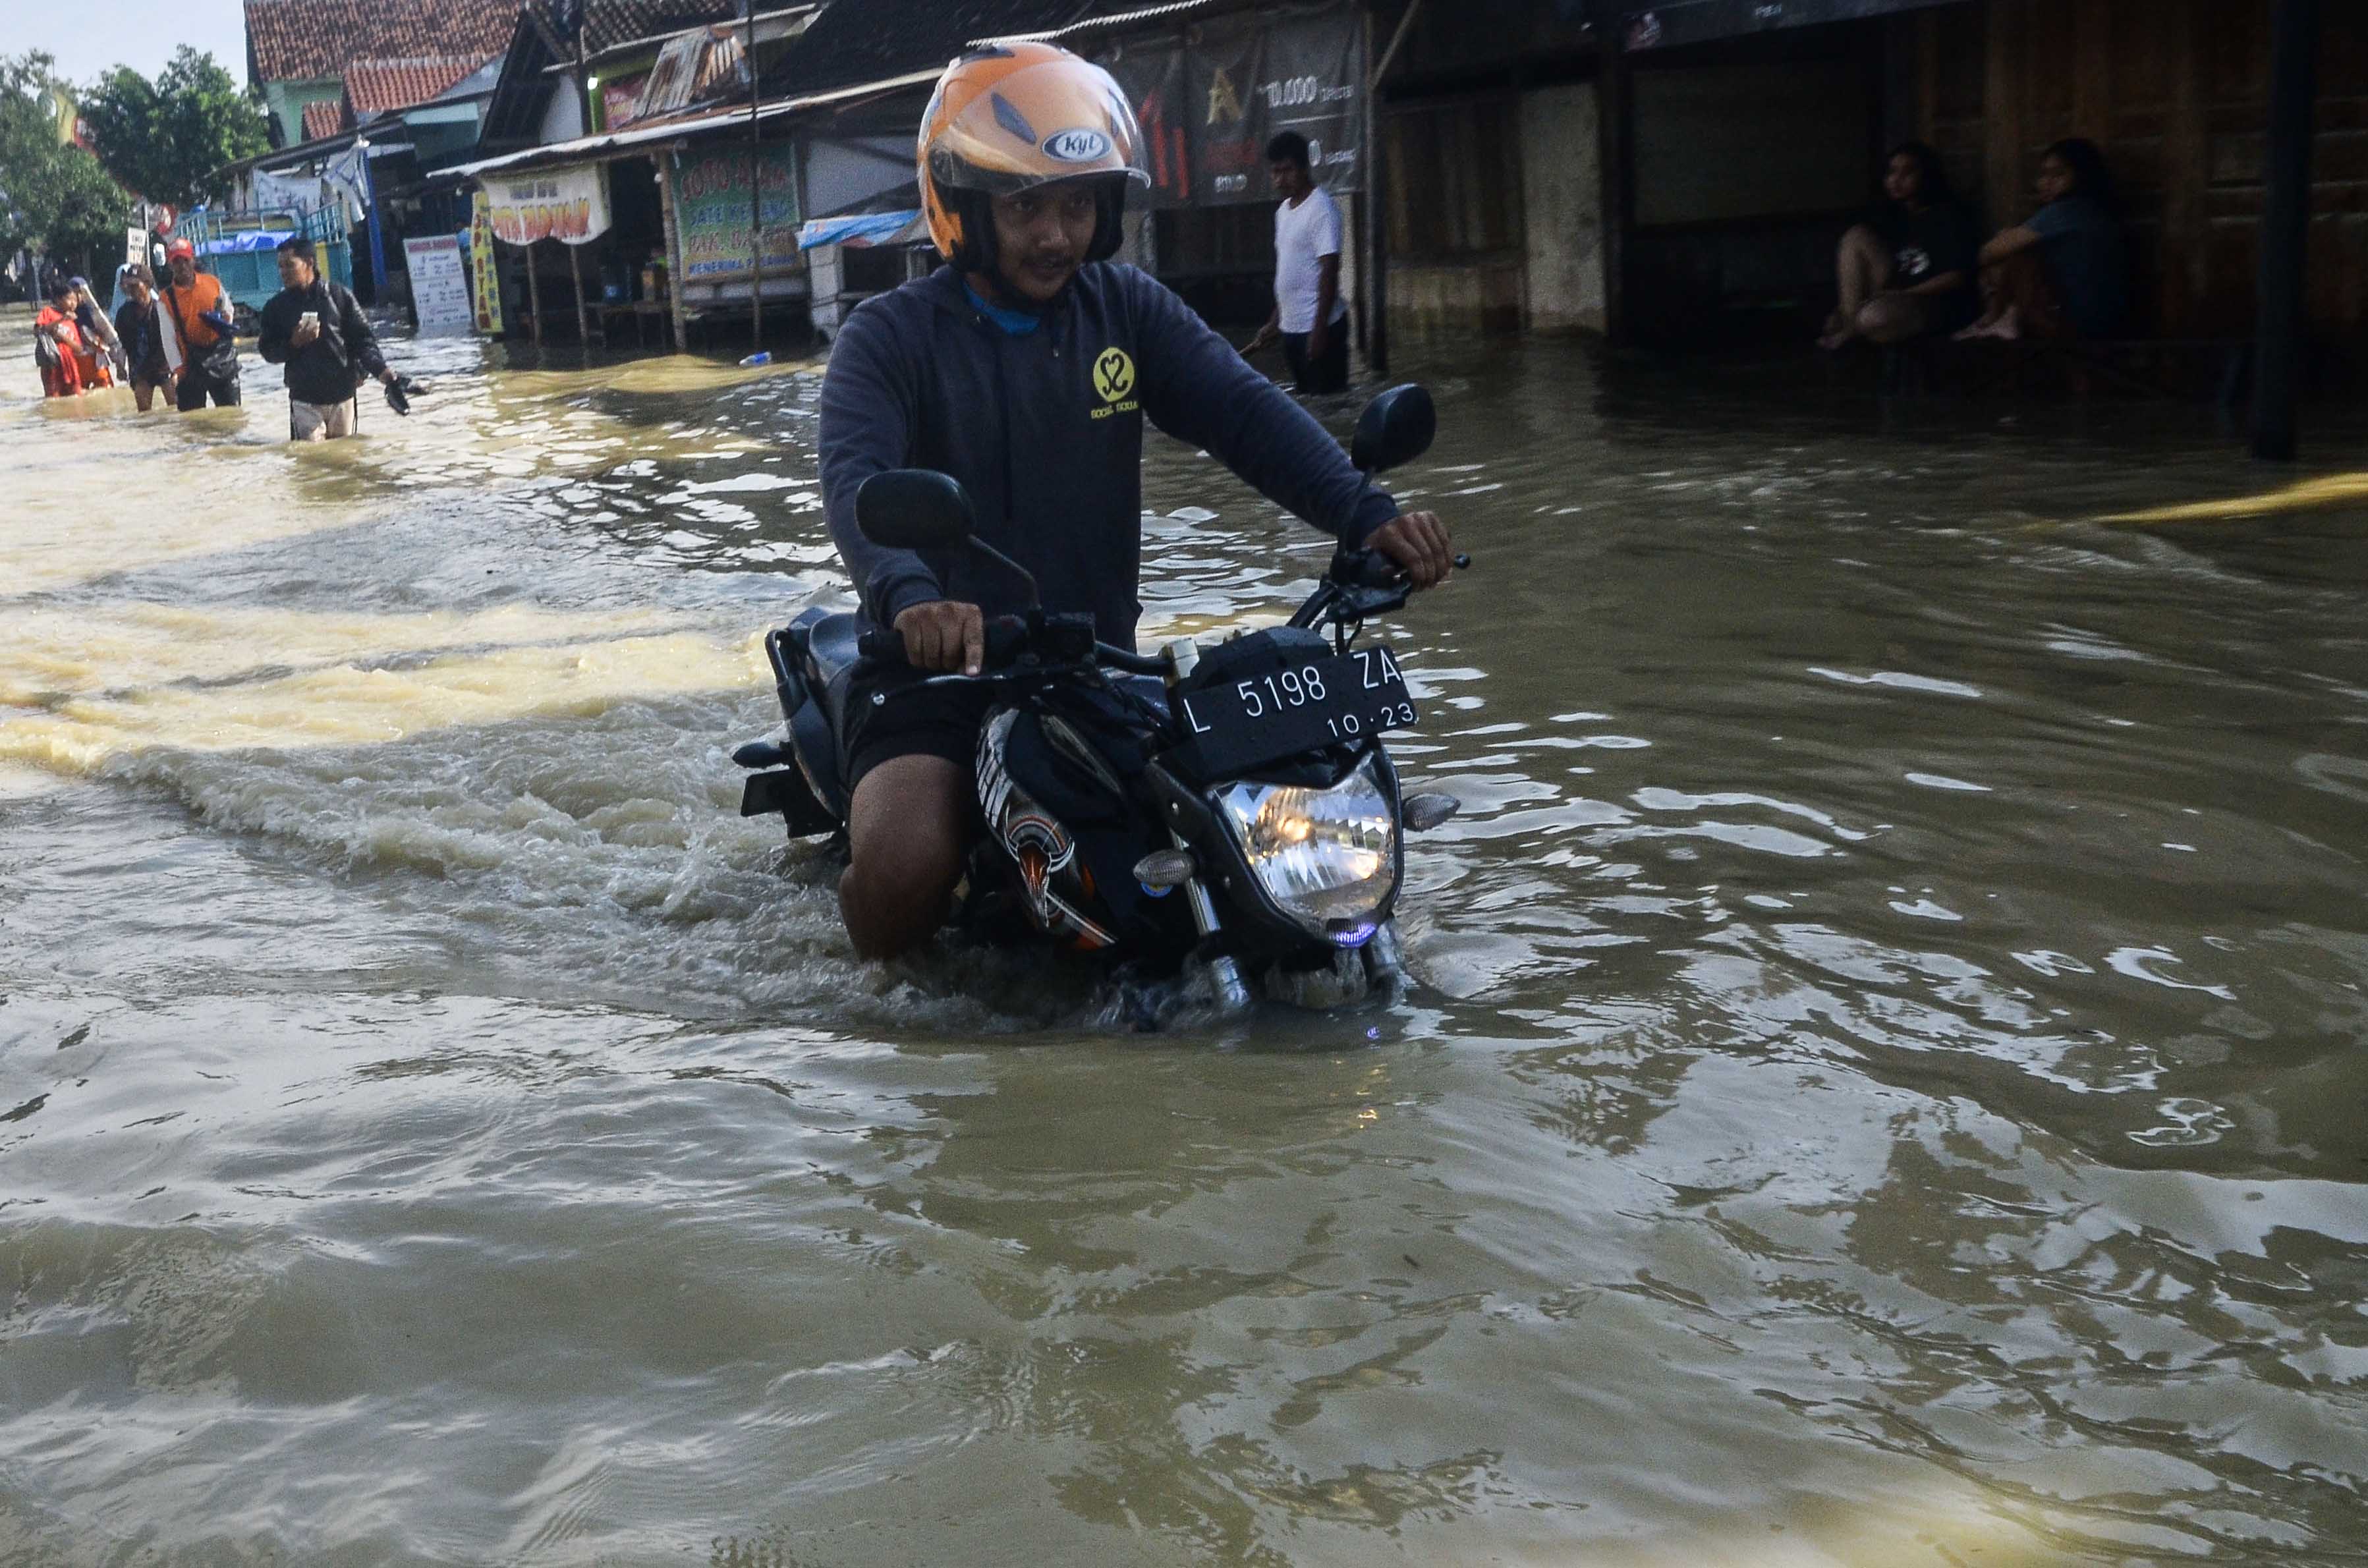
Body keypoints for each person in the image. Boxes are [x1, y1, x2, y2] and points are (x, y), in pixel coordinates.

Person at [818, 42, 1455, 961]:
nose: (1055, 235)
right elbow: (855, 480)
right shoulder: (887, 339)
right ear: (959, 205)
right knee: (909, 865)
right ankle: (876, 1003)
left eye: (1076, 205)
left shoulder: (1123, 310)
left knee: (1247, 833)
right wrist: (911, 597)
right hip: (936, 674)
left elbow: (1242, 412)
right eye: (1025, 206)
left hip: (1094, 667)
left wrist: (1367, 515)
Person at [1959, 138, 2129, 343]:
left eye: (2058, 174)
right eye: (2044, 175)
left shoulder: (2066, 211)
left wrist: (2007, 239)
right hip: (2105, 324)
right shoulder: (2096, 211)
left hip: (2074, 326)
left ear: (2082, 177)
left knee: (2018, 253)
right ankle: (2002, 318)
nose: (2046, 183)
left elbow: (1987, 253)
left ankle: (1998, 319)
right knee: (2019, 247)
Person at [1819, 142, 1979, 350]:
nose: (1897, 180)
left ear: (1926, 176)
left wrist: (1906, 294)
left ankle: (1854, 328)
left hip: (1931, 301)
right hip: (1892, 293)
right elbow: (1880, 267)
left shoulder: (1947, 217)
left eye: (1908, 172)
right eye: (1892, 172)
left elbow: (1956, 277)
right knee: (1856, 236)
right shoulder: (1893, 217)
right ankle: (1851, 326)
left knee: (1872, 318)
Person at [1243, 130, 1350, 394]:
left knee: (1330, 406)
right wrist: (1275, 321)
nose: (1280, 179)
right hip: (1291, 330)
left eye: (1287, 171)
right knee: (1308, 407)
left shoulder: (1322, 209)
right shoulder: (1283, 213)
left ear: (1304, 168)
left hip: (1320, 331)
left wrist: (1319, 330)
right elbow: (1291, 272)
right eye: (1275, 172)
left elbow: (1329, 272)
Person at [258, 235, 395, 441]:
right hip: (305, 399)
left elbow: (364, 341)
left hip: (343, 395)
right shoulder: (276, 308)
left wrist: (382, 372)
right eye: (280, 267)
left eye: (289, 265)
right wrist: (293, 344)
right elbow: (268, 351)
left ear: (309, 263)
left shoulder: (340, 297)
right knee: (310, 460)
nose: (283, 272)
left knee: (344, 458)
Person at [159, 237, 242, 409]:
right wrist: (179, 370)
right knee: (192, 425)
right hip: (190, 364)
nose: (182, 266)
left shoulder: (212, 283)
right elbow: (168, 340)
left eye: (185, 260)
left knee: (231, 415)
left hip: (221, 358)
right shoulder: (165, 299)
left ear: (193, 260)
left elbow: (229, 311)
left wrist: (222, 324)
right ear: (170, 265)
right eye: (176, 262)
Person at [111, 262, 174, 411]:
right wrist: (120, 366)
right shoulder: (124, 314)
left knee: (177, 409)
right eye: (129, 286)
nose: (131, 290)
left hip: (164, 366)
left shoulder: (162, 309)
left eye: (135, 285)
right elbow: (121, 344)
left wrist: (178, 367)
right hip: (140, 368)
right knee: (144, 414)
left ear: (147, 285)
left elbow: (174, 340)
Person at [32, 276, 87, 398]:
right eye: (69, 299)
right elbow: (37, 331)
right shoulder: (49, 312)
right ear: (58, 300)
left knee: (77, 397)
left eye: (75, 300)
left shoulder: (74, 320)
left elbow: (79, 348)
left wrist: (63, 337)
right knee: (53, 399)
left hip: (70, 365)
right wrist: (61, 320)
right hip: (51, 364)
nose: (73, 303)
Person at [70, 276, 125, 385]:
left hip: (96, 358)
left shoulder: (94, 313)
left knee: (105, 387)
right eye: (74, 294)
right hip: (78, 360)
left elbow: (109, 337)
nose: (78, 297)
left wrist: (119, 365)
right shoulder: (66, 314)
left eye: (81, 293)